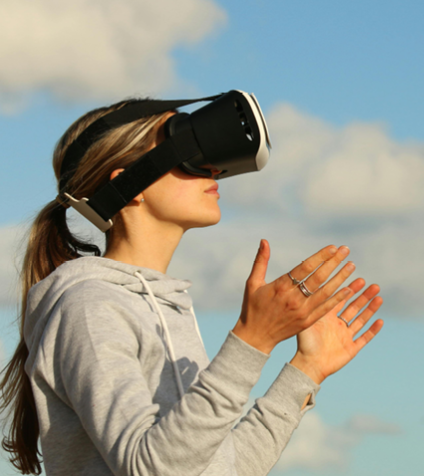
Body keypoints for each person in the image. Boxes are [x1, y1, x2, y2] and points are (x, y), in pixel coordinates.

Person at [0, 98, 384, 475]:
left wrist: (307, 370)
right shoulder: (89, 307)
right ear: (131, 183)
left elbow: (220, 469)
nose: (214, 168)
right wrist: (253, 340)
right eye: (187, 148)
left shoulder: (167, 307)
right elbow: (150, 469)